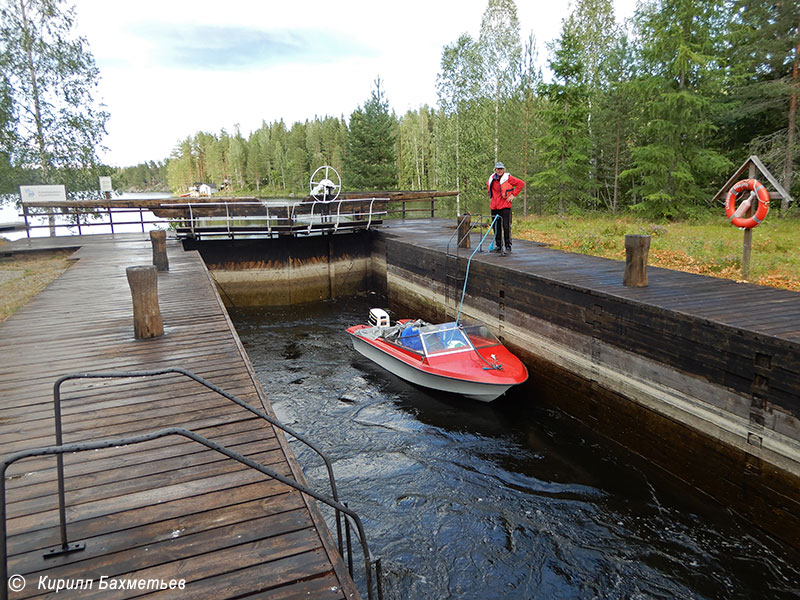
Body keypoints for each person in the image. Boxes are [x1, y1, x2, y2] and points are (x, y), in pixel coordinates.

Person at [486, 162, 525, 255]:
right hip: (494, 207)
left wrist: (513, 195)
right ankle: (498, 246)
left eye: (501, 169)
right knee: (496, 227)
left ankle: (508, 246)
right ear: (495, 170)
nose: (500, 171)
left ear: (504, 170)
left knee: (506, 227)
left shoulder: (508, 178)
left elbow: (521, 183)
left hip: (505, 207)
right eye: (498, 169)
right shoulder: (492, 179)